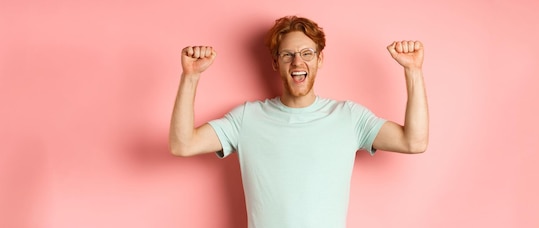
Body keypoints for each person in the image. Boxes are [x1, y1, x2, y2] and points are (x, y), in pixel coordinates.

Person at [169, 15, 429, 228]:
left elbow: (414, 141)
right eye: (287, 55)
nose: (298, 62)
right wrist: (190, 77)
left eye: (307, 53)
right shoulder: (247, 118)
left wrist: (413, 71)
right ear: (275, 63)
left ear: (319, 59)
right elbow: (183, 144)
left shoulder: (349, 117)